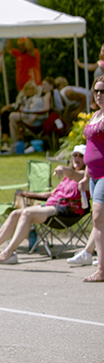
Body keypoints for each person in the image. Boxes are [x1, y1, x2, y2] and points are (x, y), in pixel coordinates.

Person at [0, 146, 87, 264]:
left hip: (66, 210)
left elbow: (72, 173)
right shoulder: (66, 179)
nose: (77, 158)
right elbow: (51, 193)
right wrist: (28, 194)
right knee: (15, 213)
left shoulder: (85, 175)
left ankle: (9, 252)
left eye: (81, 156)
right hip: (51, 206)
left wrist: (61, 168)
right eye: (75, 155)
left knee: (27, 213)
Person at [78, 75, 104, 282]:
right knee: (99, 221)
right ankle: (101, 267)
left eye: (102, 91)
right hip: (94, 175)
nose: (98, 95)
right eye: (96, 91)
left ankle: (101, 269)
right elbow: (90, 147)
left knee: (97, 218)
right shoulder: (96, 114)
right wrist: (86, 175)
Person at [6, 80, 48, 153]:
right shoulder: (24, 99)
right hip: (26, 117)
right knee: (10, 116)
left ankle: (16, 141)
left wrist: (34, 116)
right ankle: (17, 141)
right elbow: (16, 105)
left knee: (12, 116)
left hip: (34, 120)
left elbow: (38, 111)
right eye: (27, 89)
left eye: (31, 89)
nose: (29, 91)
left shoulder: (37, 99)